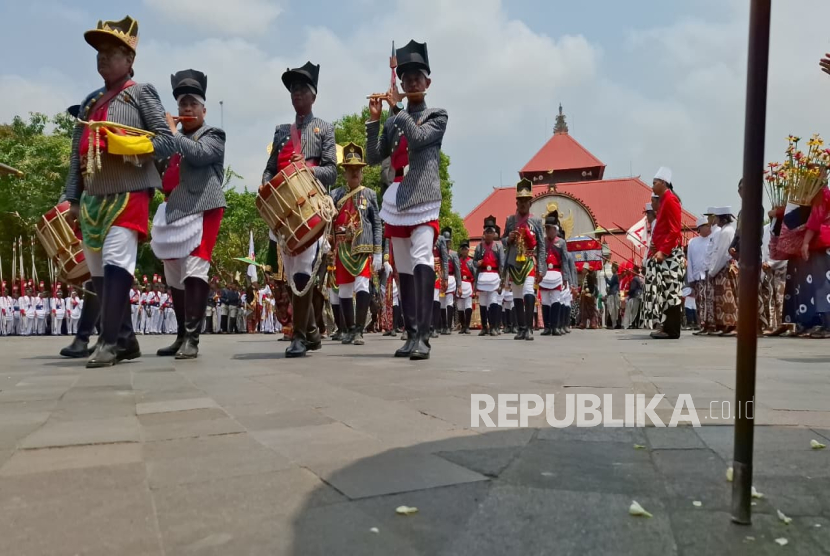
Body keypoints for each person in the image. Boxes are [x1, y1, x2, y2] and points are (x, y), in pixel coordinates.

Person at [63, 16, 174, 367]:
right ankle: (126, 339)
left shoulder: (142, 92)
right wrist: (71, 196)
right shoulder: (89, 101)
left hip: (129, 190)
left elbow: (167, 141)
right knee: (96, 269)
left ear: (130, 59)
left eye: (112, 51)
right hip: (93, 194)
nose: (103, 57)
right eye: (100, 51)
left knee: (115, 263)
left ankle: (108, 341)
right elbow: (74, 152)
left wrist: (132, 145)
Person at [366, 40, 448, 360]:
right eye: (407, 78)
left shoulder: (436, 115)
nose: (412, 82)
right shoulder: (392, 119)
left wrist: (396, 110)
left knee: (422, 257)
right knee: (403, 268)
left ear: (428, 83)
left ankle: (425, 335)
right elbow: (375, 157)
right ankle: (411, 332)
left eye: (418, 77)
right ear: (400, 83)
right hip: (398, 197)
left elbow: (417, 137)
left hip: (425, 196)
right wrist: (375, 121)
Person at [262, 61, 336, 357]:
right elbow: (268, 171)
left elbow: (331, 171)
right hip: (284, 212)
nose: (297, 93)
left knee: (304, 271)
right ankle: (313, 332)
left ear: (313, 95)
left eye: (302, 89)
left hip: (312, 209)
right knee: (292, 272)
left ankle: (300, 335)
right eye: (293, 89)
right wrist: (268, 185)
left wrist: (302, 172)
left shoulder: (324, 129)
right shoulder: (281, 132)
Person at [150, 69, 226, 358]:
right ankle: (181, 334)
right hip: (173, 208)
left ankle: (193, 339)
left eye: (193, 104)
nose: (187, 109)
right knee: (173, 271)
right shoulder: (172, 139)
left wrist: (171, 133)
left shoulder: (214, 134)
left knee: (195, 267)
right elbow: (157, 167)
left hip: (203, 206)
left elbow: (199, 154)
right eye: (182, 105)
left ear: (204, 109)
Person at [330, 142, 382, 346]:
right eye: (350, 169)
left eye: (357, 170)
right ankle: (349, 329)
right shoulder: (336, 195)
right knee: (343, 289)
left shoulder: (369, 194)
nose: (354, 173)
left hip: (361, 247)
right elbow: (328, 219)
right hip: (342, 247)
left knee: (361, 285)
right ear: (344, 172)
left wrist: (378, 252)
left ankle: (359, 329)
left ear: (362, 172)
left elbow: (377, 224)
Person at [643, 167, 685, 339]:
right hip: (663, 254)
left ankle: (672, 330)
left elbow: (675, 230)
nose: (652, 186)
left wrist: (663, 251)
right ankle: (666, 327)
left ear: (663, 183)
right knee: (665, 292)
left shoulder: (671, 200)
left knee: (672, 292)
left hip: (670, 255)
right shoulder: (664, 200)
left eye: (654, 183)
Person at [503, 179, 546, 340]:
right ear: (516, 202)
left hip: (529, 261)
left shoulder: (535, 221)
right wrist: (508, 238)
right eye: (520, 201)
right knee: (517, 295)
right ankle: (521, 328)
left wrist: (541, 267)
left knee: (529, 291)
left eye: (525, 201)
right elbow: (502, 240)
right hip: (514, 263)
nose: (522, 204)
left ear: (530, 203)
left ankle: (528, 327)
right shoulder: (510, 220)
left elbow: (541, 245)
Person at [708, 206, 738, 336]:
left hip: (724, 269)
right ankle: (724, 324)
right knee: (722, 298)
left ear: (722, 218)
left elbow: (721, 254)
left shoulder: (726, 232)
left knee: (727, 297)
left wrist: (713, 271)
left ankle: (731, 324)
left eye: (717, 218)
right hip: (722, 268)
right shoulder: (725, 230)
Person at [473, 216, 505, 336]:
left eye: (491, 232)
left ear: (494, 234)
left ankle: (493, 326)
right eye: (487, 232)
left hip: (494, 276)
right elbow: (474, 262)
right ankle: (484, 326)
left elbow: (502, 264)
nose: (489, 234)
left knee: (493, 302)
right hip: (482, 276)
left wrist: (502, 280)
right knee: (482, 302)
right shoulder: (479, 247)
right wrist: (477, 263)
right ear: (484, 233)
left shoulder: (498, 246)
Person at [539, 219, 567, 336]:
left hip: (556, 272)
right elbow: (539, 257)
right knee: (545, 301)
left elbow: (565, 260)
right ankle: (547, 327)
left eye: (549, 228)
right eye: (546, 228)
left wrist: (565, 277)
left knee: (556, 299)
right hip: (544, 274)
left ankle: (555, 326)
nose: (547, 231)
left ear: (555, 229)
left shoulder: (561, 242)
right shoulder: (542, 242)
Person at [686, 217, 710, 334]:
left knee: (709, 301)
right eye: (705, 226)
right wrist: (690, 278)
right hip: (697, 277)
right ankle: (701, 324)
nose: (708, 228)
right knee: (699, 302)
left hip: (709, 276)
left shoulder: (713, 239)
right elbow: (689, 261)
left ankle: (710, 324)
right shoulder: (692, 242)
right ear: (699, 229)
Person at [440, 228, 461, 335]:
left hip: (451, 279)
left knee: (449, 302)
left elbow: (458, 270)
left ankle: (448, 326)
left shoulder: (453, 254)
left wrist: (459, 285)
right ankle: (443, 325)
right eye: (444, 241)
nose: (446, 243)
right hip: (440, 278)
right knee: (441, 304)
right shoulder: (439, 253)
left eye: (448, 241)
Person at [455, 240, 476, 334]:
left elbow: (475, 275)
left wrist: (475, 288)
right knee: (460, 307)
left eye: (465, 249)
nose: (464, 251)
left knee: (468, 305)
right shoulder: (458, 261)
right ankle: (462, 325)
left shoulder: (471, 262)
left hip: (468, 283)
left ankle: (467, 326)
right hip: (460, 284)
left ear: (468, 250)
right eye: (462, 249)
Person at [605, 262, 621, 330]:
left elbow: (610, 283)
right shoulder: (615, 275)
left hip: (613, 294)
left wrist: (606, 279)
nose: (611, 269)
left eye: (612, 268)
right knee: (614, 310)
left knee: (613, 310)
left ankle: (614, 324)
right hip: (613, 293)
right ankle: (615, 324)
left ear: (615, 268)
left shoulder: (615, 275)